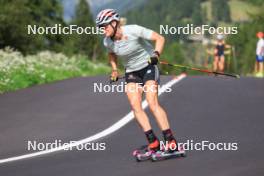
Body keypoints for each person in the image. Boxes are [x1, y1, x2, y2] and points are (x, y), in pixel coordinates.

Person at [96, 9, 178, 152]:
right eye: (101, 28)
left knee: (152, 103)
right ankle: (153, 141)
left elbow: (160, 38)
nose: (103, 30)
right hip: (132, 72)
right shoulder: (107, 41)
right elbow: (111, 55)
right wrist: (115, 69)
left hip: (148, 67)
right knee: (135, 106)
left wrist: (156, 54)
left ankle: (170, 139)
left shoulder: (133, 30)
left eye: (105, 26)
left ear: (114, 23)